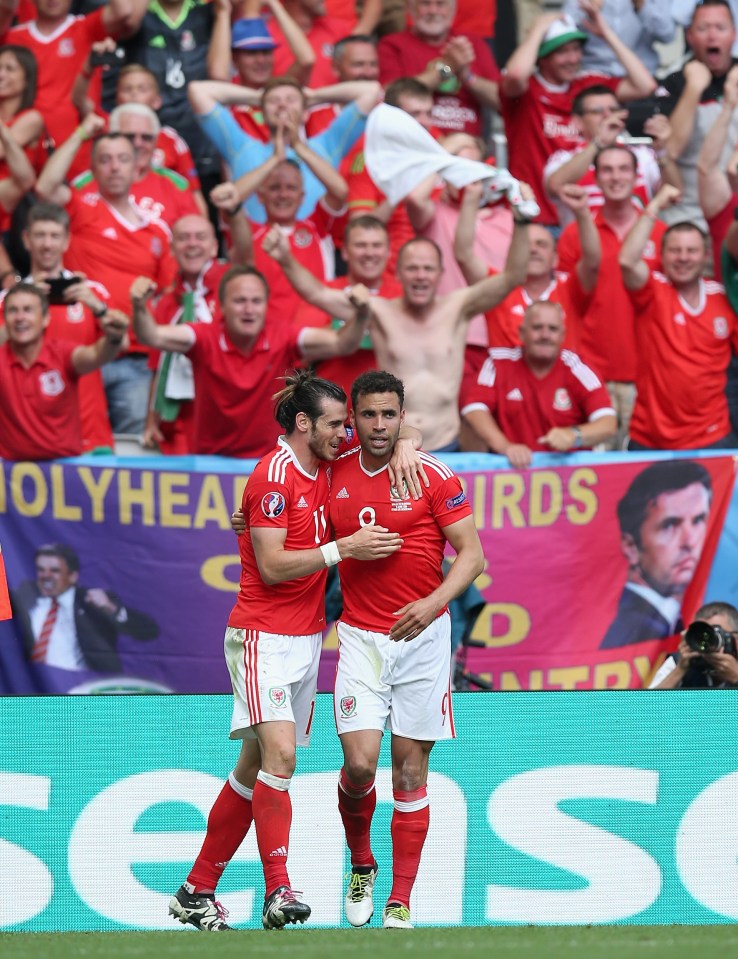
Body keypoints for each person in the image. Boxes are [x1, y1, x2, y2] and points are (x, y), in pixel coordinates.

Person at [168, 369, 414, 932]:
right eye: (335, 425)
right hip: (262, 636)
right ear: (303, 424)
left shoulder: (321, 463)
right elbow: (275, 567)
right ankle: (278, 890)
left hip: (305, 639)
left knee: (254, 768)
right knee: (281, 758)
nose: (346, 434)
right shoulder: (274, 478)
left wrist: (408, 439)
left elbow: (398, 429)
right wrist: (343, 547)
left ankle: (196, 889)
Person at [329, 370, 485, 929]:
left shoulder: (431, 474)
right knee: (359, 762)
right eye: (367, 415)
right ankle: (362, 861)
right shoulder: (333, 471)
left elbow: (472, 556)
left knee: (410, 772)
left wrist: (433, 602)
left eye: (389, 416)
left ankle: (401, 897)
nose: (378, 426)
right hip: (361, 637)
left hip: (423, 639)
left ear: (401, 416)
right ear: (353, 417)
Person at [262, 207, 533, 452]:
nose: (420, 275)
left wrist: (521, 220)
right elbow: (317, 293)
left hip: (447, 445)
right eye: (412, 268)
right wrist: (285, 258)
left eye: (428, 269)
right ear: (399, 273)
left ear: (440, 274)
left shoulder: (459, 306)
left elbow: (513, 277)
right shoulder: (380, 311)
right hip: (393, 447)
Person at [130, 264, 372, 458]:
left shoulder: (283, 335)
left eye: (256, 301)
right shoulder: (204, 336)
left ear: (266, 306)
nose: (249, 309)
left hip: (269, 462)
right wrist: (139, 307)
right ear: (222, 306)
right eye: (240, 301)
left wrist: (360, 314)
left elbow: (342, 343)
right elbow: (150, 335)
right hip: (210, 462)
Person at [35, 119, 176, 435]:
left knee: (132, 457)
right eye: (105, 160)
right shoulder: (80, 207)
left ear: (138, 164)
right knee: (71, 441)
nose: (114, 168)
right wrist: (82, 132)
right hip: (80, 353)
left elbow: (168, 296)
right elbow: (45, 187)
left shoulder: (156, 231)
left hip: (136, 360)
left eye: (123, 159)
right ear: (94, 167)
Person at [499, 9, 657, 226]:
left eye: (576, 49)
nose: (573, 59)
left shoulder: (587, 86)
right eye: (562, 51)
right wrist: (536, 31)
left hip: (578, 217)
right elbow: (515, 74)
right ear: (542, 57)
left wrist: (606, 33)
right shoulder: (526, 91)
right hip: (536, 215)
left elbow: (645, 85)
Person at [557, 144, 667, 450]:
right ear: (596, 177)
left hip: (646, 376)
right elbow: (565, 303)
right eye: (607, 169)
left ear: (637, 177)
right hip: (590, 374)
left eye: (623, 169)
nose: (615, 177)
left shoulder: (660, 234)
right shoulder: (575, 233)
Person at [618, 182, 738, 450]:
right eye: (675, 250)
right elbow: (626, 260)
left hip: (712, 435)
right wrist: (655, 205)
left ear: (705, 255)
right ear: (661, 255)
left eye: (691, 251)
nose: (683, 258)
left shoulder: (724, 299)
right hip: (651, 436)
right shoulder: (652, 291)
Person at [188, 74, 380, 225]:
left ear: (306, 112)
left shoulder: (325, 145)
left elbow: (371, 91)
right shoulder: (242, 147)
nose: (282, 104)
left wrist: (314, 96)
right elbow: (198, 91)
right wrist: (258, 98)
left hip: (311, 250)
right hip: (256, 255)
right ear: (261, 113)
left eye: (290, 99)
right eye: (274, 101)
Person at [460, 300, 616, 468]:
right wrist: (506, 447)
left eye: (553, 329)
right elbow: (473, 410)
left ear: (563, 335)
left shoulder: (577, 367)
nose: (545, 335)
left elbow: (607, 423)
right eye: (537, 328)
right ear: (521, 333)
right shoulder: (498, 362)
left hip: (570, 479)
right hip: (513, 474)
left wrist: (574, 435)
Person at [455, 180, 600, 351]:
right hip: (506, 377)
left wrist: (582, 212)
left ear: (555, 258)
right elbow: (464, 255)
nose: (533, 250)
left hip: (562, 377)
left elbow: (592, 262)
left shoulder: (569, 289)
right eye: (526, 244)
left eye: (541, 244)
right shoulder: (498, 288)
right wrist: (471, 197)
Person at [0, 281, 128, 461]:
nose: (20, 317)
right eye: (13, 311)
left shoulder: (62, 354)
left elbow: (97, 354)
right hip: (12, 479)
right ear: (5, 320)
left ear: (46, 319)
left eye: (28, 310)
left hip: (65, 475)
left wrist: (114, 338)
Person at [141, 214, 231, 454]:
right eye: (183, 238)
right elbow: (157, 368)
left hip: (225, 414)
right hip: (179, 420)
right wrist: (152, 421)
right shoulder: (165, 303)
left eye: (200, 237)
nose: (192, 244)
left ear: (214, 247)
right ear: (172, 248)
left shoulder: (234, 290)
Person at [600, 460, 713, 650]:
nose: (690, 541)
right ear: (630, 546)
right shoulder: (625, 631)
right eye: (670, 525)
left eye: (698, 520)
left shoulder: (679, 616)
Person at [5, 0, 148, 148]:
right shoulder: (12, 36)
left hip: (79, 142)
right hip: (25, 144)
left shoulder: (86, 27)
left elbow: (123, 10)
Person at [543, 83, 680, 229]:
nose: (608, 116)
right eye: (597, 111)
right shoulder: (565, 158)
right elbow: (555, 185)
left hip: (639, 247)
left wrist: (662, 151)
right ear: (578, 122)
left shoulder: (642, 155)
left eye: (614, 109)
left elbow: (674, 194)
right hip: (583, 248)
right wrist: (598, 143)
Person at [10, 543, 159, 672]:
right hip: (33, 688)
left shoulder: (92, 602)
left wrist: (112, 608)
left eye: (54, 571)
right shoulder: (26, 593)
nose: (45, 576)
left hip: (82, 690)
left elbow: (149, 631)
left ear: (72, 576)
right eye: (41, 570)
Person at [659, 0, 738, 230]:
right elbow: (670, 149)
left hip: (733, 215)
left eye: (720, 28)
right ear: (689, 36)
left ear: (733, 34)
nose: (712, 36)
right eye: (703, 29)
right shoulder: (674, 82)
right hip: (688, 217)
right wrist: (693, 89)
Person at [377, 0, 501, 137]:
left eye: (440, 4)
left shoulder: (472, 43)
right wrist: (447, 68)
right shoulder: (392, 45)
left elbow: (500, 101)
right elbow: (389, 97)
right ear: (411, 8)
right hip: (414, 142)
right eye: (425, 4)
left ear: (453, 9)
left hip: (468, 147)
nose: (433, 11)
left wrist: (466, 75)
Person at [562, 0, 677, 77]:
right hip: (596, 75)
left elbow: (667, 36)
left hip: (643, 78)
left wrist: (641, 6)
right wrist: (587, 11)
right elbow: (563, 34)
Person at [649, 601, 738, 688]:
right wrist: (680, 669)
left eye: (716, 633)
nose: (707, 640)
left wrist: (735, 677)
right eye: (703, 634)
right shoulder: (680, 661)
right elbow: (650, 702)